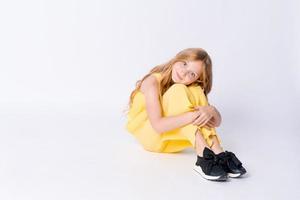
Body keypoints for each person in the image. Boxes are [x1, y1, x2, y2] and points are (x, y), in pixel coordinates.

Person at [124, 48, 246, 181]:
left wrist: (210, 110)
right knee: (178, 89)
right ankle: (203, 154)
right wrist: (194, 115)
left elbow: (216, 122)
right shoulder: (152, 82)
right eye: (184, 64)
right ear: (177, 59)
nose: (183, 73)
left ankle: (218, 152)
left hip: (169, 139)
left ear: (197, 79)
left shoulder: (191, 86)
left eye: (192, 74)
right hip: (152, 136)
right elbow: (158, 126)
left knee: (196, 90)